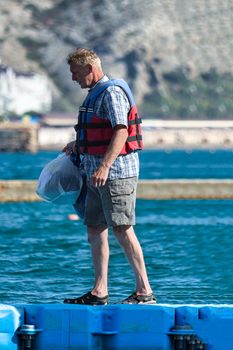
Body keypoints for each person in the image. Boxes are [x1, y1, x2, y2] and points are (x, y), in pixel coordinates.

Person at [63, 48, 156, 305]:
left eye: (75, 72)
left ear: (89, 69)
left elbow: (121, 131)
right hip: (95, 174)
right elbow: (98, 132)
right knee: (94, 227)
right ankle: (99, 291)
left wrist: (104, 166)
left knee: (123, 228)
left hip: (115, 173)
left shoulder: (112, 93)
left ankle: (144, 291)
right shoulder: (94, 94)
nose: (73, 78)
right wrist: (78, 144)